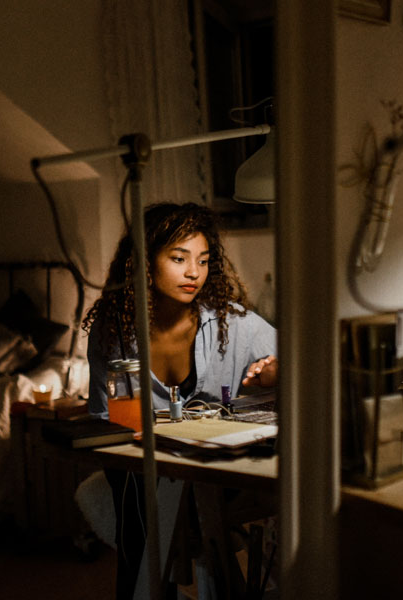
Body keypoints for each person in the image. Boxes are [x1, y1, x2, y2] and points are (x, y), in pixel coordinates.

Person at [83, 201, 277, 598]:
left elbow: (296, 364)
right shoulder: (113, 328)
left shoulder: (231, 321)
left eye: (204, 261)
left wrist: (275, 372)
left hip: (212, 467)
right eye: (178, 258)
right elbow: (105, 417)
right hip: (144, 467)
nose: (194, 273)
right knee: (140, 496)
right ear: (143, 262)